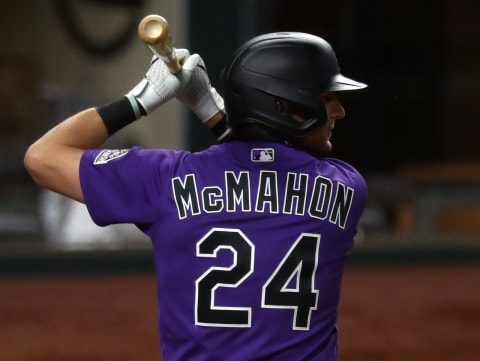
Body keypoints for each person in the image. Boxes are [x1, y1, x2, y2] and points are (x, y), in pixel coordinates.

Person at [25, 32, 367, 360]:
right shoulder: (345, 188)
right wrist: (210, 108)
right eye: (326, 99)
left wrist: (141, 100)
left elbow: (42, 157)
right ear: (288, 106)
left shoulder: (164, 179)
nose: (339, 111)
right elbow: (265, 168)